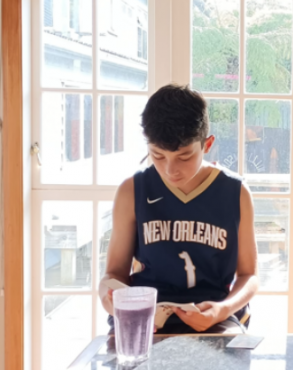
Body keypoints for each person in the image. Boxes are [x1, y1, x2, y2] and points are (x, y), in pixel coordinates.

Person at [99, 84, 258, 334]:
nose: (170, 170)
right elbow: (114, 274)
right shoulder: (132, 190)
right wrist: (112, 299)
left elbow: (249, 276)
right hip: (144, 318)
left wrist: (223, 309)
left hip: (215, 317)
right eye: (157, 156)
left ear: (207, 144)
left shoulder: (235, 192)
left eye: (184, 157)